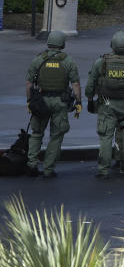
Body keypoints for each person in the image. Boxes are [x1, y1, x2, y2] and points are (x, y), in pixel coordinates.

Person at [85, 31, 124, 179]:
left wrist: (89, 100)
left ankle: (103, 170)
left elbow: (90, 84)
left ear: (112, 45)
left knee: (106, 137)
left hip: (106, 105)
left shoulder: (101, 62)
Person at [24, 31, 81, 178]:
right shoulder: (68, 61)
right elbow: (75, 84)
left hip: (41, 101)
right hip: (60, 102)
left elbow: (29, 83)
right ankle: (48, 169)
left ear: (48, 42)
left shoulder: (38, 59)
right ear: (62, 44)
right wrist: (79, 102)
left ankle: (32, 164)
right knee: (56, 135)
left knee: (36, 133)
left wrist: (29, 101)